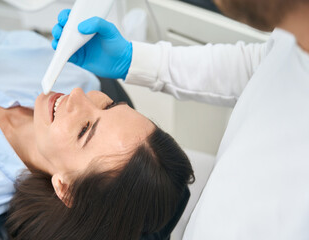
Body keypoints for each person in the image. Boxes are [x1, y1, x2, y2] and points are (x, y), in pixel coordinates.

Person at [51, 0, 309, 239]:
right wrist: (136, 60)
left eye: (85, 130)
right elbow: (262, 65)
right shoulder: (295, 31)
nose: (77, 95)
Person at [0, 18, 195, 240]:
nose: (78, 95)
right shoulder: (81, 78)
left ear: (65, 188)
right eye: (109, 106)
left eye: (84, 130)